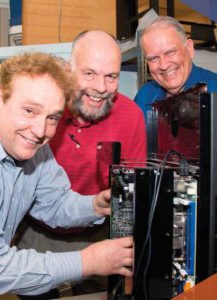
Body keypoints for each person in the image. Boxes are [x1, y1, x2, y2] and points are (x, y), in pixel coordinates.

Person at [0, 52, 134, 300]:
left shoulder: (32, 145)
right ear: (0, 99)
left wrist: (95, 206)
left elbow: (54, 203)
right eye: (29, 110)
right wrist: (87, 261)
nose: (39, 131)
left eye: (52, 118)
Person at [17, 30, 147, 297]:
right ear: (68, 70)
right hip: (39, 234)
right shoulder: (44, 109)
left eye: (111, 76)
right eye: (89, 73)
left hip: (98, 234)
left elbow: (132, 190)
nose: (101, 86)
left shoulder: (131, 116)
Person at [134, 16, 217, 120]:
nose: (163, 65)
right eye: (153, 58)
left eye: (170, 52)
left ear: (189, 49)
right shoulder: (143, 97)